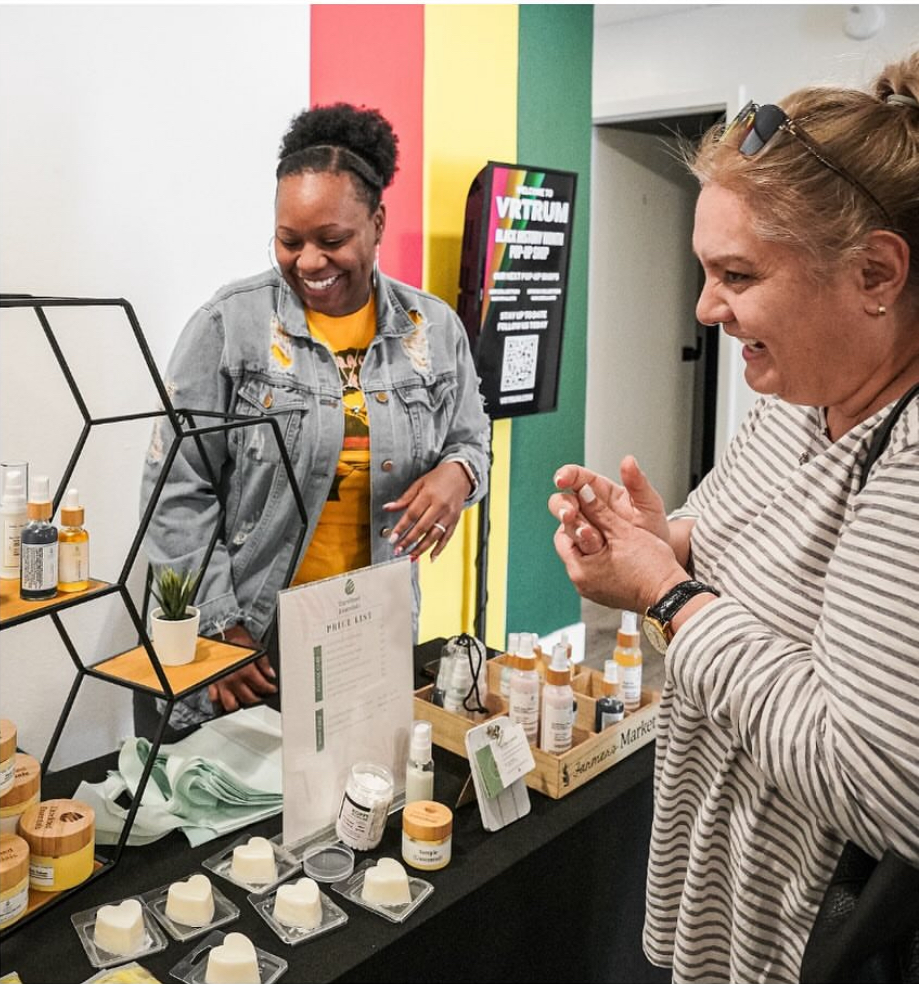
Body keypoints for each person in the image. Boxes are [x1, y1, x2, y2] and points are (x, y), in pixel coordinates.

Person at [549, 55, 919, 984]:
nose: (706, 308)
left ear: (874, 272)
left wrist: (667, 597)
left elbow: (872, 782)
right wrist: (656, 539)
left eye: (738, 275)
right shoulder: (798, 396)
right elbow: (726, 532)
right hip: (720, 880)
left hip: (804, 936)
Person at [139, 103, 490, 735]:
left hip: (371, 633)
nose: (308, 262)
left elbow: (471, 437)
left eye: (331, 241)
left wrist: (459, 474)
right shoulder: (230, 326)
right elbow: (174, 488)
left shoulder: (433, 328)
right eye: (289, 241)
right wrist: (218, 624)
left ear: (377, 223)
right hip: (253, 637)